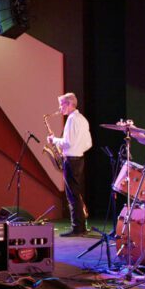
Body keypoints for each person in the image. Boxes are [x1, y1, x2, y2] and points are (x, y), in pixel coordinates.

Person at [48, 92, 93, 237]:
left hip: (71, 160)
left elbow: (68, 142)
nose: (60, 108)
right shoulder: (82, 119)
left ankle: (77, 228)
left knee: (72, 195)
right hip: (79, 159)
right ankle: (80, 226)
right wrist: (77, 150)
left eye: (61, 105)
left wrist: (54, 140)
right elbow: (89, 143)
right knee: (75, 194)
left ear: (68, 104)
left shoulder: (72, 120)